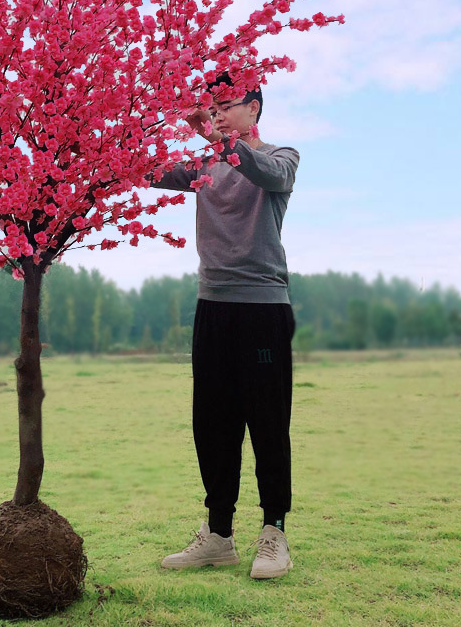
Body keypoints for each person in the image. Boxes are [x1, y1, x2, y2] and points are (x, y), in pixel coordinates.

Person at [150, 72, 299, 579]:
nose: (214, 113)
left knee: (267, 421)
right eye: (209, 107)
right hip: (211, 306)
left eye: (225, 105)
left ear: (254, 108)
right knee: (212, 423)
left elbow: (262, 172)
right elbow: (143, 169)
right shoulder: (203, 166)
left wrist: (218, 139)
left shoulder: (282, 157)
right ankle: (218, 535)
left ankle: (274, 532)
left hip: (262, 308)